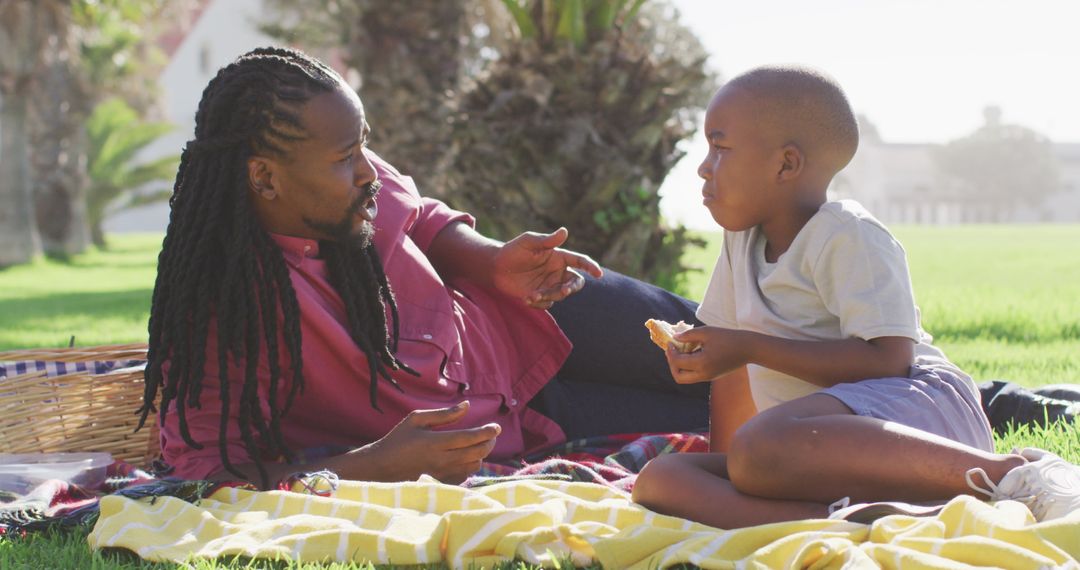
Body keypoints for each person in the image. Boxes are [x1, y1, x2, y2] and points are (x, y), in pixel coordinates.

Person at [137, 47, 710, 489]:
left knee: (734, 344)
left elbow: (422, 219)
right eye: (345, 159)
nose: (369, 173)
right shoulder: (219, 310)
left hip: (537, 313)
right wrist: (372, 465)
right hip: (533, 416)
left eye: (363, 147)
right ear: (264, 178)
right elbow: (205, 473)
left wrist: (491, 262)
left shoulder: (346, 178)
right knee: (734, 419)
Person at [631, 65, 1080, 527]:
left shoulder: (847, 235)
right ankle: (851, 520)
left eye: (720, 148)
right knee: (661, 479)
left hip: (914, 417)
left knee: (760, 446)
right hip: (811, 448)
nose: (704, 166)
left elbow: (889, 360)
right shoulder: (741, 242)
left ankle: (1015, 475)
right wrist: (738, 473)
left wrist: (748, 352)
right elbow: (734, 375)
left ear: (786, 164)